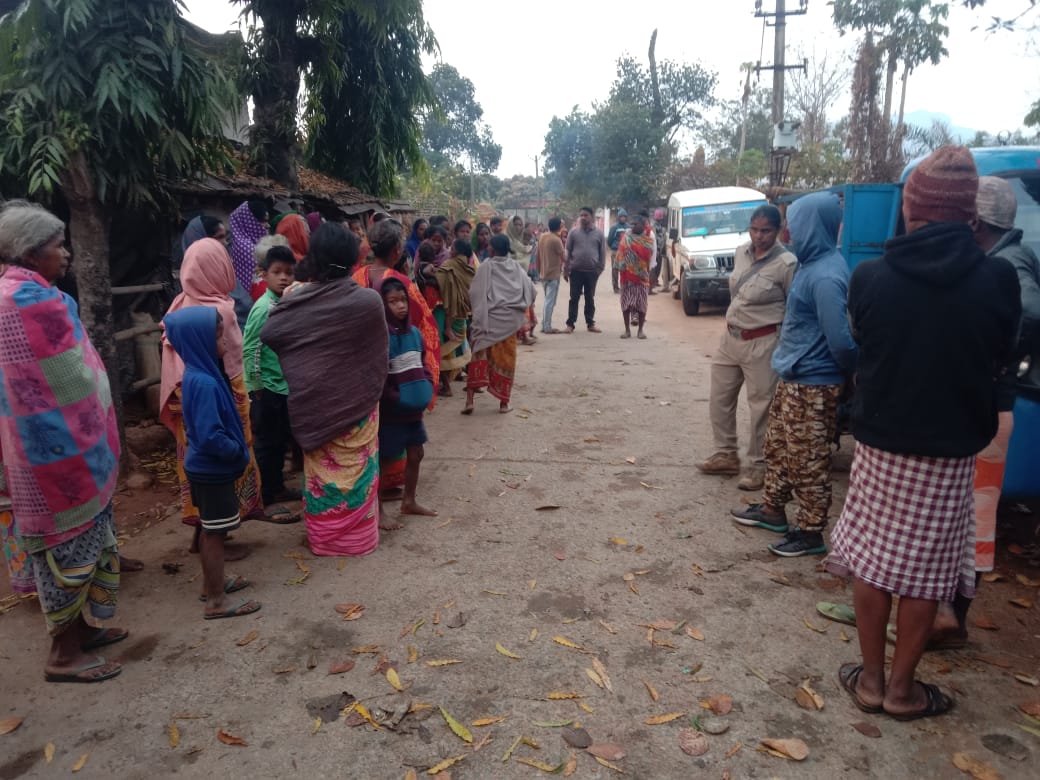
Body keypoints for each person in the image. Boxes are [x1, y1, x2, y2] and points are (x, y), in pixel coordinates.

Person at [826, 146, 1020, 721]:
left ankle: (870, 682)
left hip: (880, 444)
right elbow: (1001, 353)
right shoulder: (998, 279)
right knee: (926, 573)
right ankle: (903, 692)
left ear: (911, 210)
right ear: (968, 214)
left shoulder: (870, 277)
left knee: (871, 561)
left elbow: (864, 346)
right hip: (952, 450)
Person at [0, 201, 125, 682]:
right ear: (33, 253)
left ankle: (81, 631)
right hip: (54, 453)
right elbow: (64, 379)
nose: (67, 253)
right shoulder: (28, 301)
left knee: (80, 542)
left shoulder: (21, 293)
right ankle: (62, 655)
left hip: (50, 448)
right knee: (65, 548)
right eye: (58, 246)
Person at [926, 175, 1040, 647]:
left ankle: (951, 616)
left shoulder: (1007, 265)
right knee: (965, 516)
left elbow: (1030, 313)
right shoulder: (1001, 259)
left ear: (974, 221)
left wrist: (990, 355)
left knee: (972, 517)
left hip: (988, 412)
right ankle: (946, 613)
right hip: (984, 409)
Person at [731, 192, 858, 557]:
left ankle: (810, 532)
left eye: (796, 225)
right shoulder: (809, 263)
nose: (790, 232)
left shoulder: (826, 276)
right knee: (779, 448)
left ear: (813, 226)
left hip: (813, 383)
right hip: (793, 376)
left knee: (808, 460)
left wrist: (848, 377)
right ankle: (772, 510)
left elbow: (841, 341)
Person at [261, 223, 388, 557]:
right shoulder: (368, 301)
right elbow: (378, 353)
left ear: (314, 256)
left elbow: (271, 333)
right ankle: (358, 539)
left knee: (322, 474)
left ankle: (324, 538)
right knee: (359, 471)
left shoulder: (299, 298)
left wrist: (291, 300)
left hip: (315, 407)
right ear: (352, 259)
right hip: (359, 405)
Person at [160, 238, 271, 552]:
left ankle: (202, 533)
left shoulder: (180, 304)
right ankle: (217, 537)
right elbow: (234, 364)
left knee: (196, 467)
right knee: (226, 464)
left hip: (185, 398)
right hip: (222, 398)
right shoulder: (221, 311)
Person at [163, 307, 262, 619]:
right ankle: (216, 601)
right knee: (215, 534)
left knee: (211, 530)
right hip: (212, 469)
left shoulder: (201, 375)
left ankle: (212, 584)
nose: (226, 343)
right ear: (200, 342)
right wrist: (236, 451)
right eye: (219, 338)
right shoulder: (204, 383)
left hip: (205, 468)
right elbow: (209, 436)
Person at [696, 205, 796, 491]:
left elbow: (793, 309)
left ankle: (759, 466)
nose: (759, 236)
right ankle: (726, 454)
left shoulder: (787, 264)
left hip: (763, 342)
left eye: (766, 231)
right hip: (731, 339)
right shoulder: (741, 252)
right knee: (720, 398)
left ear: (778, 230)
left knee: (761, 407)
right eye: (754, 229)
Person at [243, 245, 301, 510]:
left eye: (289, 272)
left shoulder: (285, 303)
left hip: (283, 385)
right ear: (264, 274)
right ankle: (265, 496)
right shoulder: (264, 307)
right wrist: (255, 387)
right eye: (277, 272)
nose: (284, 278)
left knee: (279, 441)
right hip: (266, 388)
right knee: (267, 443)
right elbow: (250, 348)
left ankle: (277, 487)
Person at [377, 277, 437, 526]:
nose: (400, 306)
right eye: (393, 301)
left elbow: (422, 363)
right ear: (383, 305)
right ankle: (378, 510)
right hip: (393, 412)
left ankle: (409, 501)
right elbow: (379, 376)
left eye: (403, 300)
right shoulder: (381, 338)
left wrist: (427, 384)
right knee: (385, 460)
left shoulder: (414, 334)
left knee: (416, 453)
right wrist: (395, 397)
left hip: (414, 410)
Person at [463, 234, 535, 414]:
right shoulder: (516, 267)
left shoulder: (485, 266)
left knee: (478, 358)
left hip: (488, 322)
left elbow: (475, 293)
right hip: (509, 323)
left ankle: (469, 401)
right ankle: (503, 404)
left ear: (493, 249)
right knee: (506, 361)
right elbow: (531, 290)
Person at [435, 238, 476, 388]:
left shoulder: (448, 266)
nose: (449, 250)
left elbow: (442, 286)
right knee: (463, 347)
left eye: (452, 248)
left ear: (456, 251)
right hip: (463, 314)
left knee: (444, 348)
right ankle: (473, 381)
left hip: (448, 314)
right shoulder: (470, 268)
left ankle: (446, 386)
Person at [564, 207, 607, 334]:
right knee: (574, 298)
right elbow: (567, 250)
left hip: (592, 272)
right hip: (576, 271)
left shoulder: (599, 233)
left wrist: (599, 269)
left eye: (586, 215)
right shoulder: (573, 232)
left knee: (590, 298)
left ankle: (590, 323)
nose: (583, 217)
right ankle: (570, 324)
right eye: (581, 215)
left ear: (591, 217)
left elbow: (602, 252)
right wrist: (565, 269)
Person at [616, 212, 655, 340]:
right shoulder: (625, 238)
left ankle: (640, 330)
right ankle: (627, 330)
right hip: (626, 276)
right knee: (625, 304)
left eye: (635, 224)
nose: (632, 226)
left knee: (642, 304)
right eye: (631, 224)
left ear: (643, 226)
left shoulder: (648, 240)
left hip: (642, 276)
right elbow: (620, 254)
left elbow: (649, 256)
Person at [228, 199, 270, 297]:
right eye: (263, 221)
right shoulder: (249, 248)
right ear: (250, 222)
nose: (268, 225)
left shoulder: (236, 242)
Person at [537, 217, 566, 333]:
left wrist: (539, 271)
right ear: (559, 227)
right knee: (550, 302)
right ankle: (547, 327)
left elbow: (538, 255)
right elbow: (564, 257)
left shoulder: (542, 236)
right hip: (553, 274)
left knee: (547, 301)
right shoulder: (556, 240)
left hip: (543, 273)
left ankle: (544, 325)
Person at [607, 208, 629, 293]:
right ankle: (615, 287)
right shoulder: (614, 227)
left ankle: (624, 286)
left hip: (626, 251)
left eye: (624, 217)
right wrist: (614, 247)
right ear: (618, 217)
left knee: (625, 269)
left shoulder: (628, 227)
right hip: (616, 251)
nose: (623, 218)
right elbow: (609, 240)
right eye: (621, 217)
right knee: (615, 269)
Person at [652, 208, 671, 293]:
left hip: (661, 249)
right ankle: (653, 281)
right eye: (659, 218)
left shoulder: (661, 226)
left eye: (660, 218)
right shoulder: (654, 226)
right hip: (656, 249)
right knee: (655, 266)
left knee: (659, 266)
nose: (660, 219)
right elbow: (654, 238)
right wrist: (656, 250)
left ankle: (655, 281)